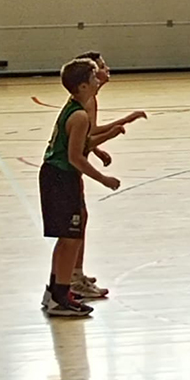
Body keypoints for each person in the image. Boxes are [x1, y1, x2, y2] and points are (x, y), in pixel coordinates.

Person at [38, 58, 121, 317]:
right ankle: (60, 296)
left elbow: (81, 145)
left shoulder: (74, 107)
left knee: (67, 239)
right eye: (94, 77)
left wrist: (109, 135)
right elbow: (76, 157)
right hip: (62, 178)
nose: (98, 81)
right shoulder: (80, 116)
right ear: (83, 86)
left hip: (55, 175)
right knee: (71, 238)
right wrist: (103, 179)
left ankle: (55, 292)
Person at [72, 51, 146, 300]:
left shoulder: (89, 98)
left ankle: (76, 272)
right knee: (75, 223)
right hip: (68, 170)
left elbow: (87, 134)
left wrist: (97, 148)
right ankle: (73, 277)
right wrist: (118, 128)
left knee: (81, 218)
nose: (106, 70)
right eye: (101, 68)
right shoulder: (85, 103)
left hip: (72, 168)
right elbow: (85, 136)